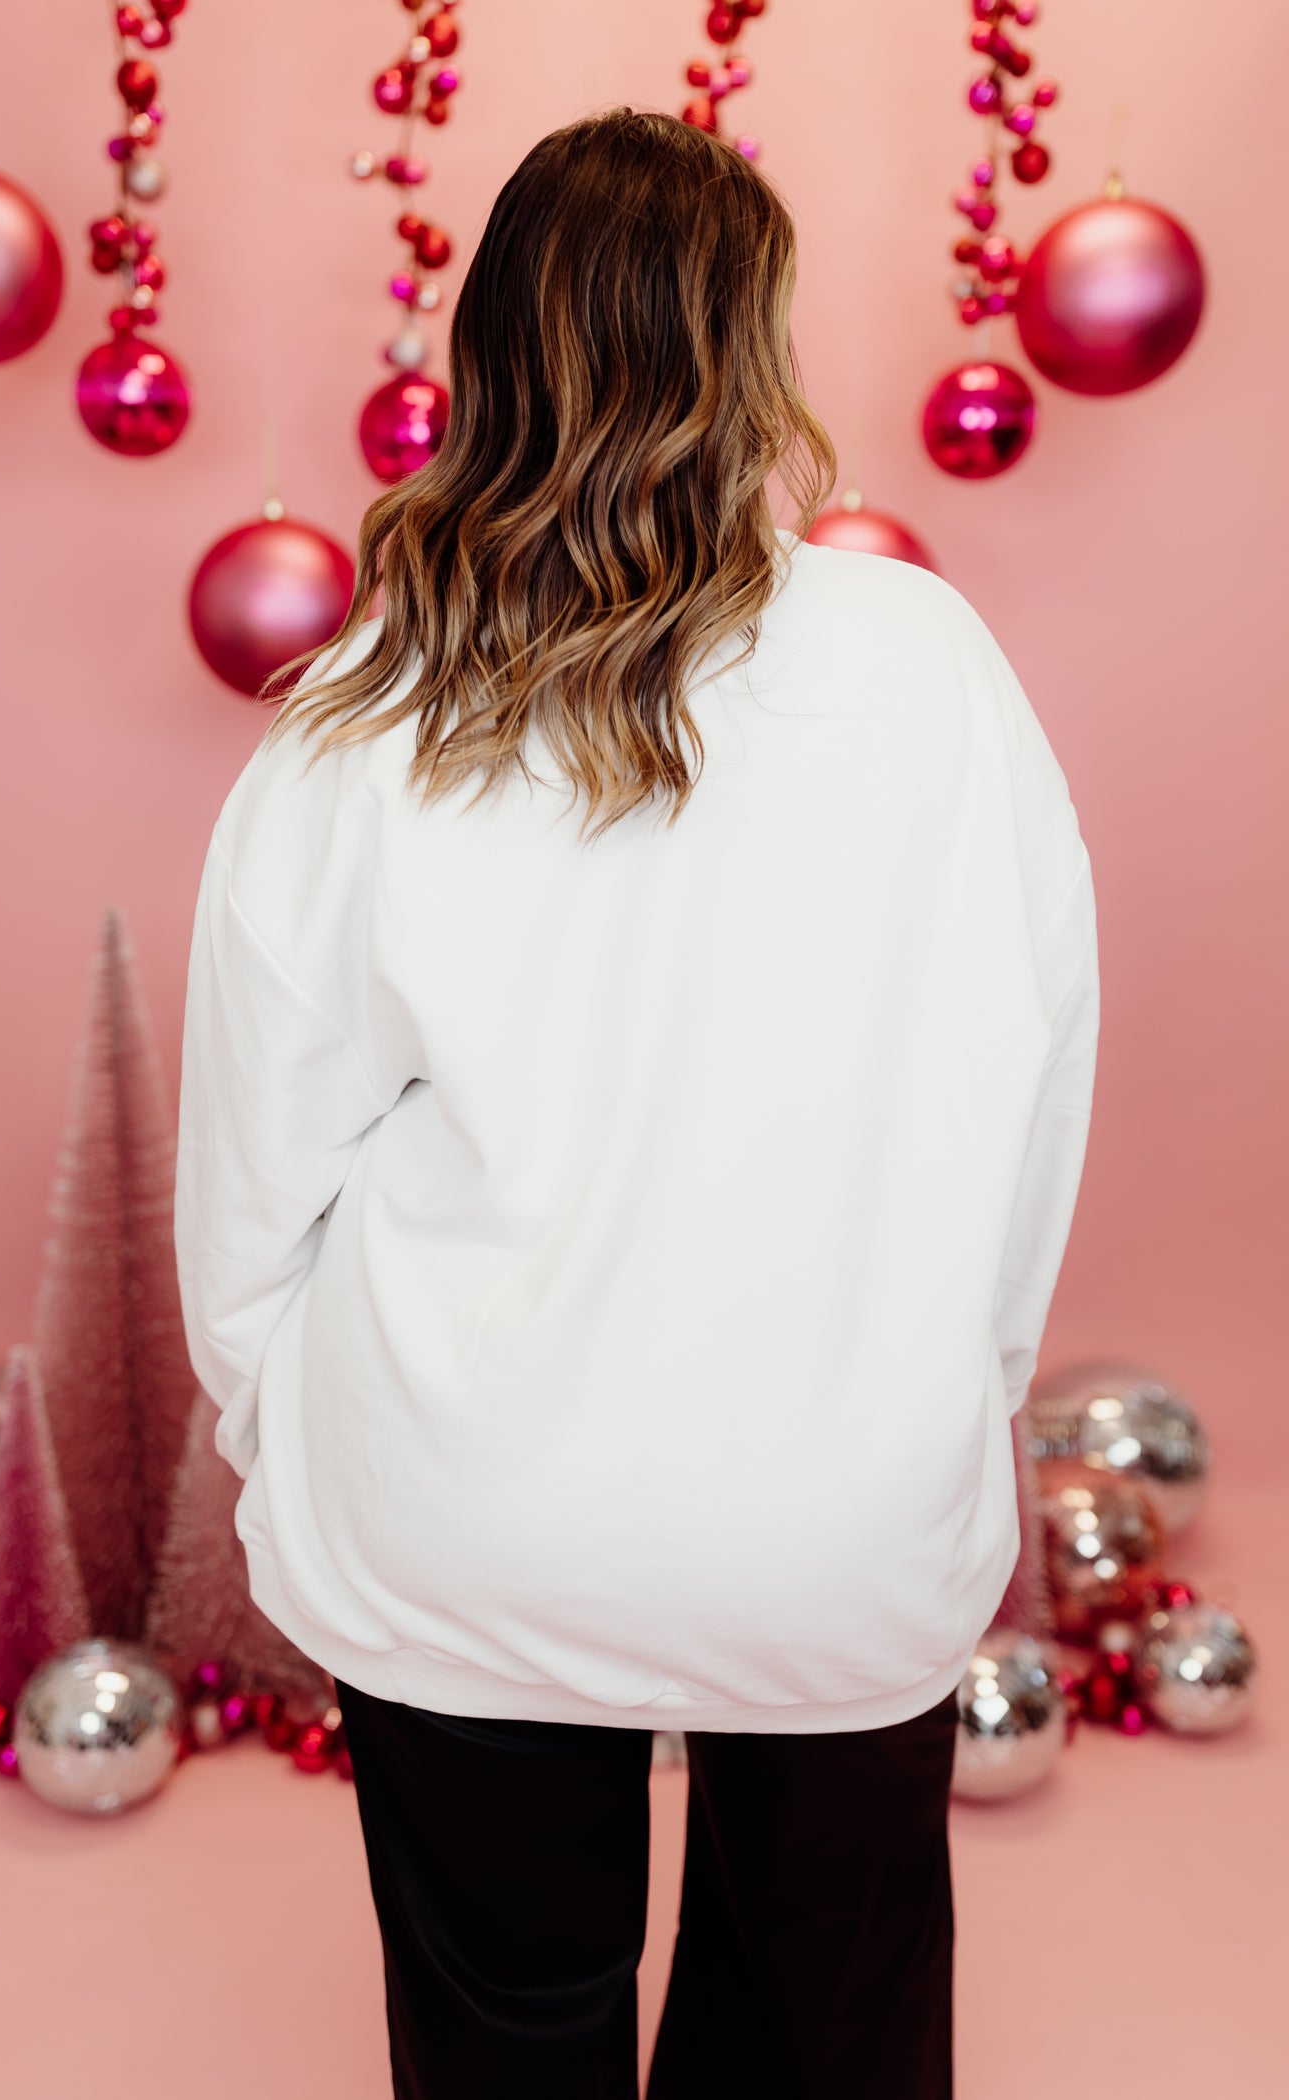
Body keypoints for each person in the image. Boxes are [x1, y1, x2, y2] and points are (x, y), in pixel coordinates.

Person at [174, 108, 1098, 2100]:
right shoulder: (930, 667)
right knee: (822, 2037)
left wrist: (299, 1471)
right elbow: (1032, 1092)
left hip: (454, 1517)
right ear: (752, 357)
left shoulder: (359, 723)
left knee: (507, 2021)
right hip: (841, 1519)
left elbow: (252, 1190)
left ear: (489, 355)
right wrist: (949, 1411)